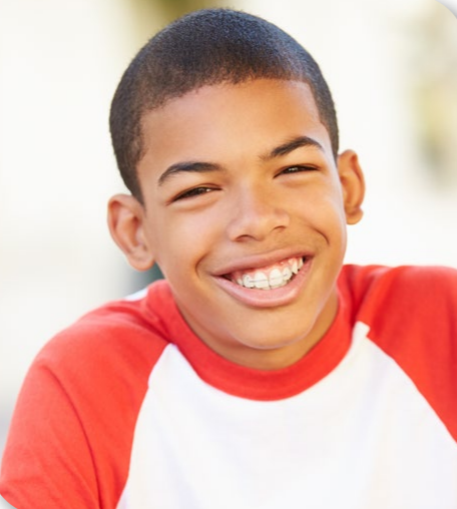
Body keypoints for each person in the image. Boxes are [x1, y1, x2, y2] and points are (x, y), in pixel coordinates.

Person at [1, 8, 456, 509]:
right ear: (136, 231)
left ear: (347, 187)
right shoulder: (85, 385)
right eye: (199, 189)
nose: (257, 220)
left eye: (294, 168)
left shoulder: (442, 324)